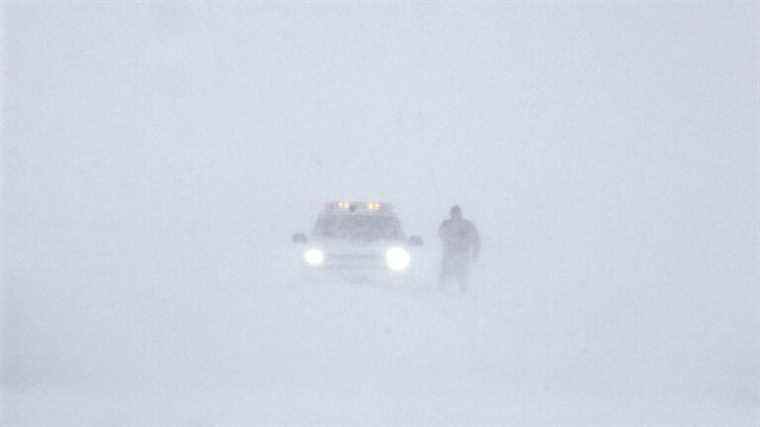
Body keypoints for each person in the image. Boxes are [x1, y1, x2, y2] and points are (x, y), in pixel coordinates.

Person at [438, 205, 480, 291]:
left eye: (457, 213)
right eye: (453, 213)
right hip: (449, 253)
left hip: (463, 253)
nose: (455, 215)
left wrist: (475, 252)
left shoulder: (467, 224)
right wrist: (450, 239)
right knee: (446, 271)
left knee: (462, 272)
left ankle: (463, 289)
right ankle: (441, 289)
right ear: (451, 214)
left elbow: (475, 239)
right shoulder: (446, 224)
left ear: (460, 213)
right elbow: (440, 234)